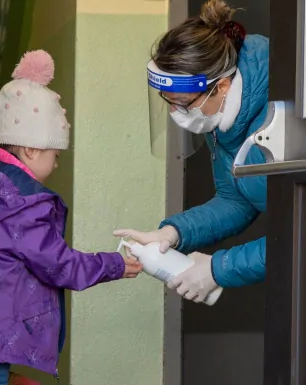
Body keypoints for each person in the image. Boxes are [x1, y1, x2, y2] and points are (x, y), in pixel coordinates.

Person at [0, 50, 142, 385]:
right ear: (30, 149)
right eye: (55, 155)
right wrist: (114, 264)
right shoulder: (25, 206)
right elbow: (60, 264)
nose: (56, 165)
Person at [114, 0, 269, 303]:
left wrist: (218, 269)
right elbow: (237, 200)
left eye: (183, 103)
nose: (176, 112)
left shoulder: (279, 116)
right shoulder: (223, 120)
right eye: (168, 101)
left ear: (221, 87)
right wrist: (173, 233)